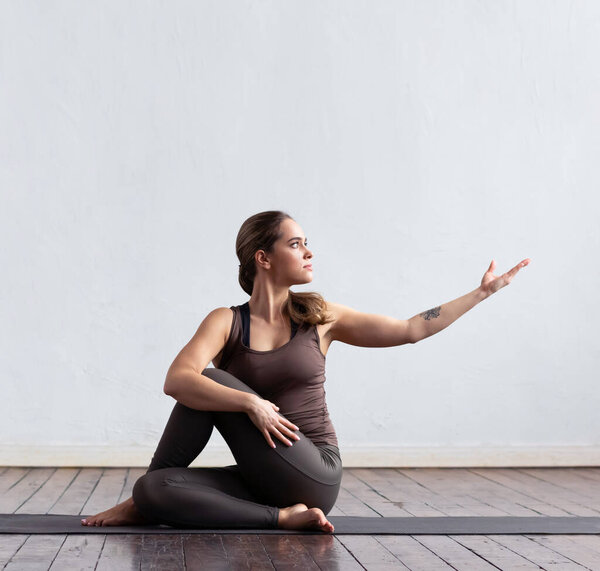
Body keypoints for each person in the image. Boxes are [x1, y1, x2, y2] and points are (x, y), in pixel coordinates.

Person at [81, 210, 530, 531]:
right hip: (264, 481)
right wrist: (250, 403)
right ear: (264, 258)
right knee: (156, 489)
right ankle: (278, 518)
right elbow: (174, 381)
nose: (309, 251)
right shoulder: (226, 321)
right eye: (295, 243)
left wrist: (481, 293)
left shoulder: (319, 317)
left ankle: (145, 504)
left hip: (313, 469)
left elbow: (411, 328)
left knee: (211, 380)